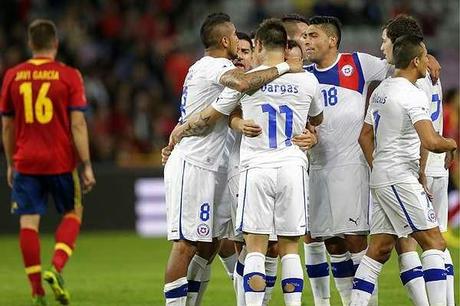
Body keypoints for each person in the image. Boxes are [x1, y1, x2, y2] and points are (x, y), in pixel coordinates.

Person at [169, 18, 323, 306]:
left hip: (250, 170)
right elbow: (317, 118)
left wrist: (180, 129)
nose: (241, 56)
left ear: (258, 47)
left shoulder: (246, 83)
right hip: (270, 167)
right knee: (279, 246)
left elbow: (211, 114)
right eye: (237, 50)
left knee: (255, 246)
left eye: (246, 50)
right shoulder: (305, 80)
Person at [351, 34, 457, 306]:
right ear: (415, 61)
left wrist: (381, 169)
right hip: (400, 177)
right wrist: (452, 143)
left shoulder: (381, 90)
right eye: (424, 57)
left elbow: (364, 136)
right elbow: (431, 141)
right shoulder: (413, 94)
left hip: (384, 176)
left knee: (378, 249)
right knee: (434, 242)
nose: (427, 62)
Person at [0, 19, 96, 306]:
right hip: (61, 162)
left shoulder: (13, 76)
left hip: (26, 161)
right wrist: (87, 164)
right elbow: (78, 124)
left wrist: (10, 163)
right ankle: (55, 268)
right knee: (73, 213)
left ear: (31, 44)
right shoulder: (69, 76)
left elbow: (7, 126)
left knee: (29, 222)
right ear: (55, 43)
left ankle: (36, 292)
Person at [304, 16, 393, 305]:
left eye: (313, 35)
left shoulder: (358, 63)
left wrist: (425, 55)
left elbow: (398, 65)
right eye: (304, 36)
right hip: (316, 168)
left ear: (332, 40)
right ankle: (348, 301)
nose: (306, 41)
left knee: (355, 238)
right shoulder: (304, 76)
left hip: (350, 166)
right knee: (331, 241)